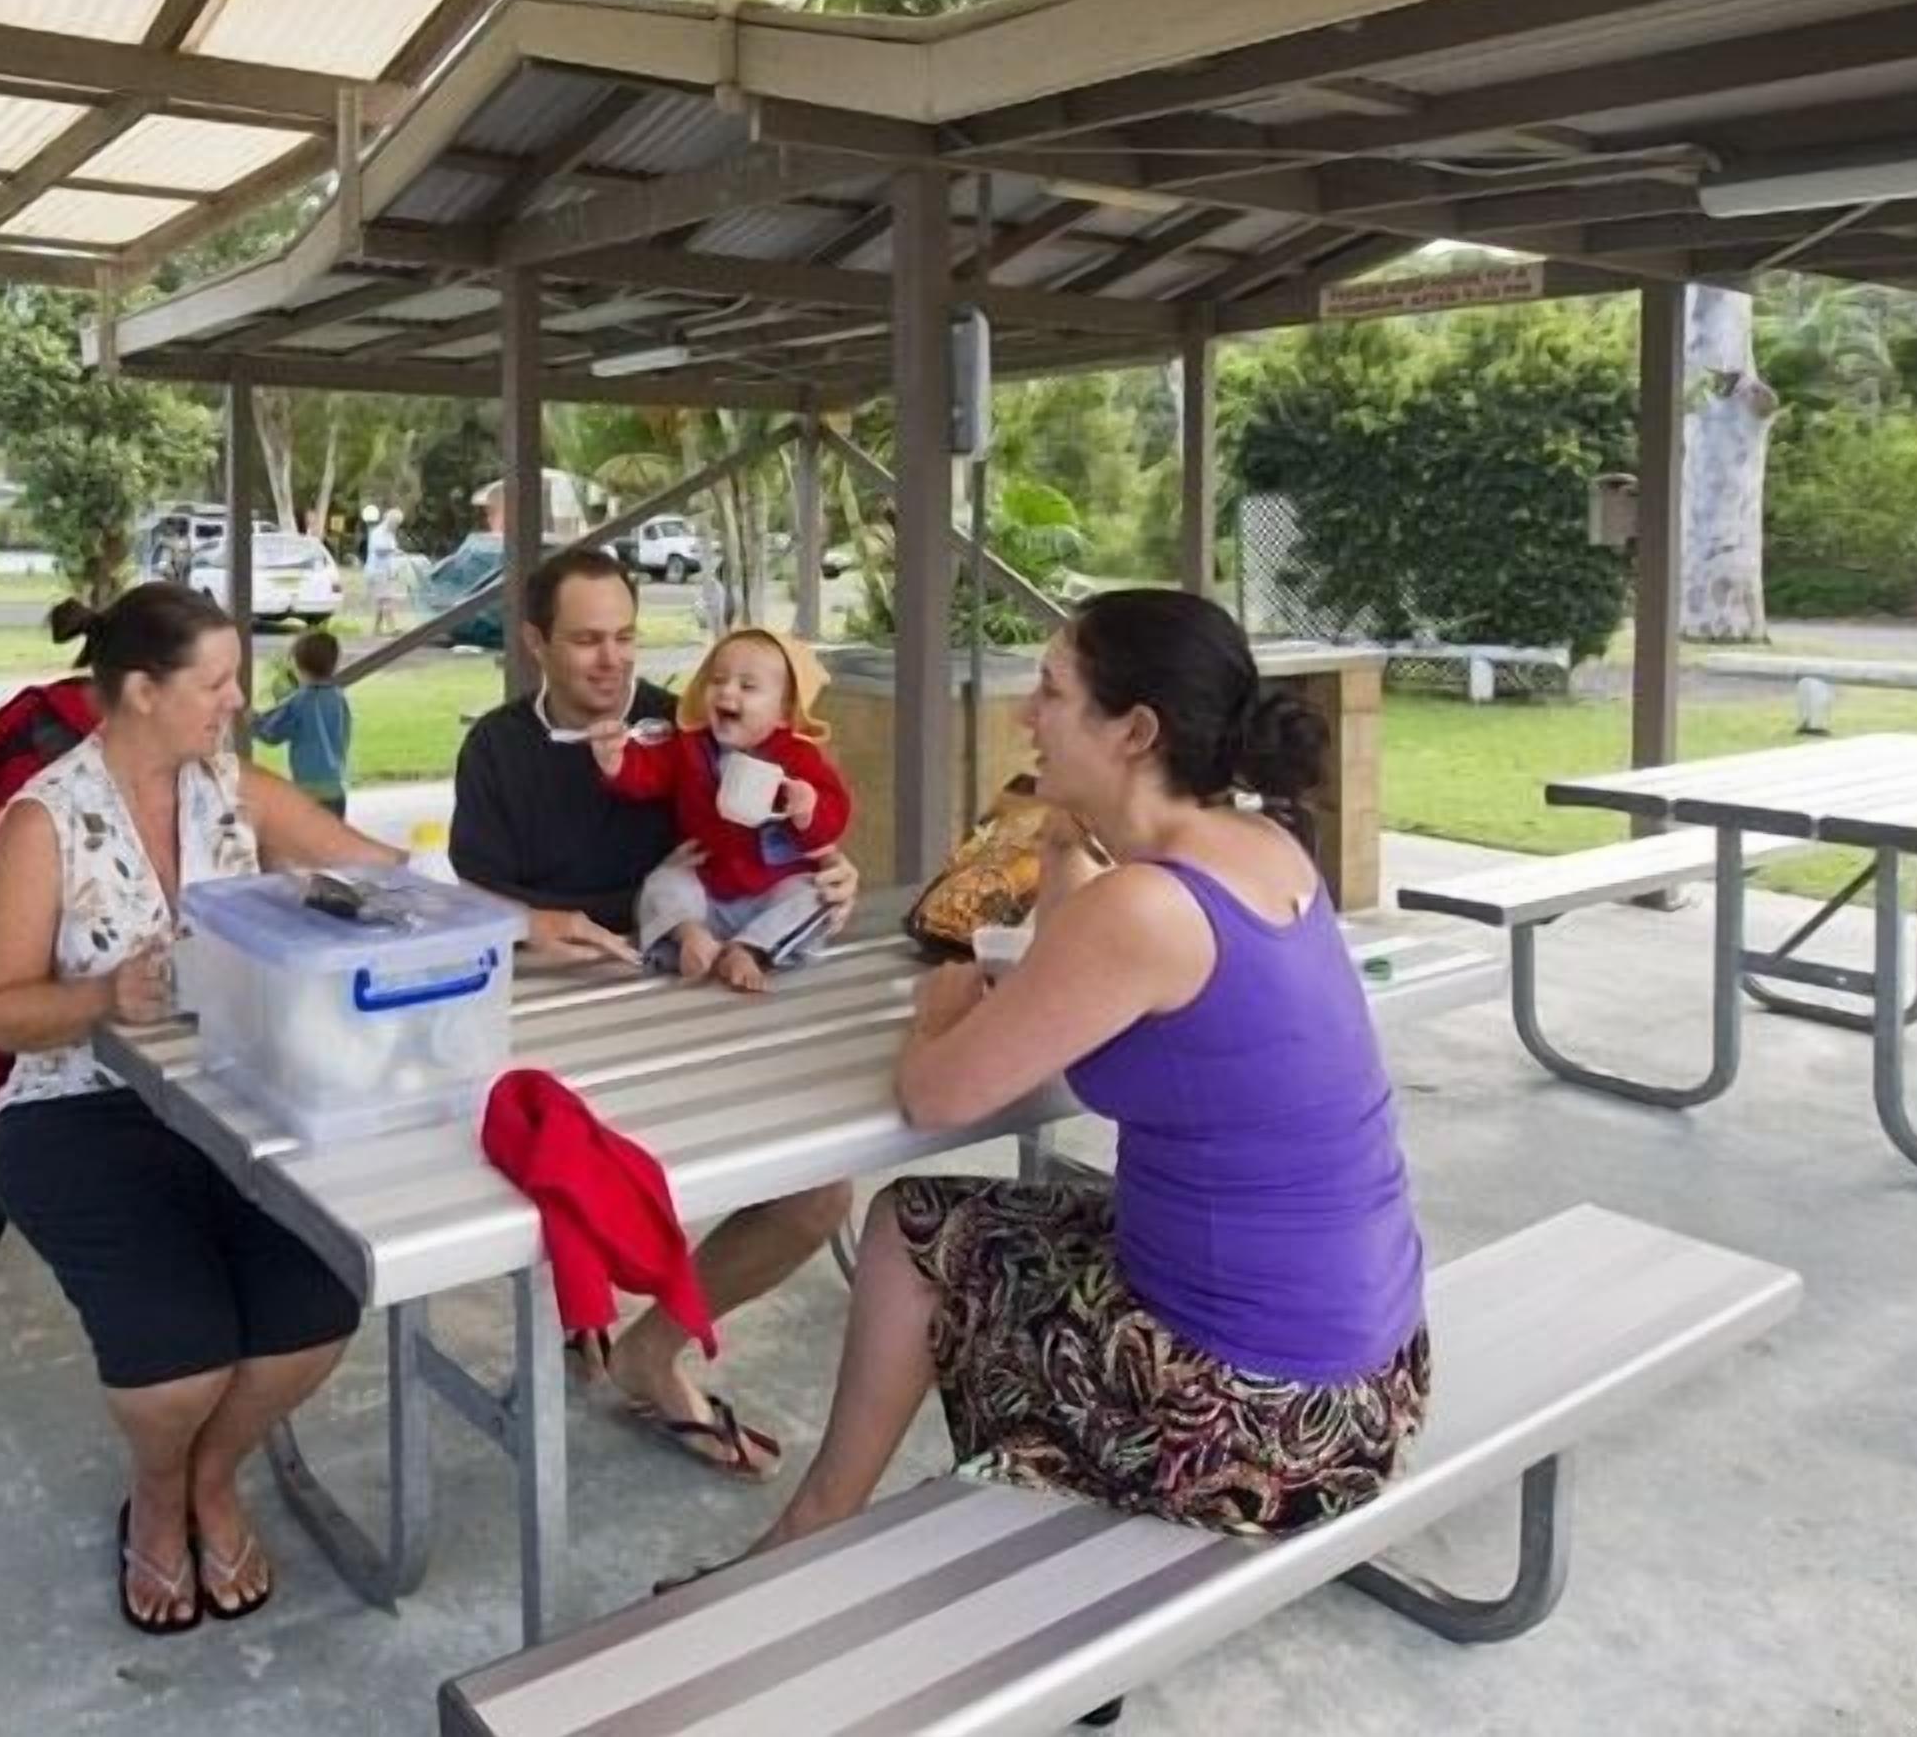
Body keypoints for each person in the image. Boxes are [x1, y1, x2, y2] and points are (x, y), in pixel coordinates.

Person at [727, 587, 1430, 1571]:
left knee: (915, 1231)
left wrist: (937, 1015)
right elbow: (1079, 953)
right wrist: (1063, 839)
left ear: (1135, 731)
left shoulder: (1147, 908)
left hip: (1261, 1421)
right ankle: (847, 1522)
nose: (1025, 714)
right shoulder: (1266, 846)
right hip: (1372, 1373)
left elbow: (937, 1093)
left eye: (1052, 692)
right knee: (955, 1230)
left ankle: (816, 1530)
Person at [0, 583, 405, 1635]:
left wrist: (516, 919)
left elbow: (382, 876)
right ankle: (160, 1495)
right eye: (217, 683)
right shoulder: (44, 820)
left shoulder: (230, 788)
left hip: (239, 1099)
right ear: (141, 691)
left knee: (315, 1313)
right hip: (79, 1110)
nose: (238, 701)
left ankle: (213, 1473)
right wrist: (101, 998)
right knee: (179, 1364)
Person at [449, 548, 863, 1478]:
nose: (613, 660)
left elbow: (790, 824)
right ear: (535, 643)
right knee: (558, 1175)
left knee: (819, 1192)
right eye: (587, 640)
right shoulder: (498, 750)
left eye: (626, 637)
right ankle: (582, 1310)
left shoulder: (695, 726)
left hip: (692, 996)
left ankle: (651, 1348)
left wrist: (832, 870)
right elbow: (467, 906)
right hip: (551, 1011)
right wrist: (536, 927)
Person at [589, 626, 853, 994]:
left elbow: (834, 814)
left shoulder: (800, 757)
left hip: (774, 886)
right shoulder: (691, 746)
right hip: (706, 884)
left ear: (784, 710)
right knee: (662, 883)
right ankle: (690, 936)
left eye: (748, 686)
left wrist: (808, 807)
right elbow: (648, 774)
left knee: (817, 898)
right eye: (717, 680)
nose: (727, 691)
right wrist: (617, 763)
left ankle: (748, 950)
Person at [253, 626, 354, 819]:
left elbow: (271, 734)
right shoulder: (338, 698)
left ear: (298, 665)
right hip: (336, 789)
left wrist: (252, 720)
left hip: (308, 791)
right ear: (335, 664)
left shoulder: (299, 701)